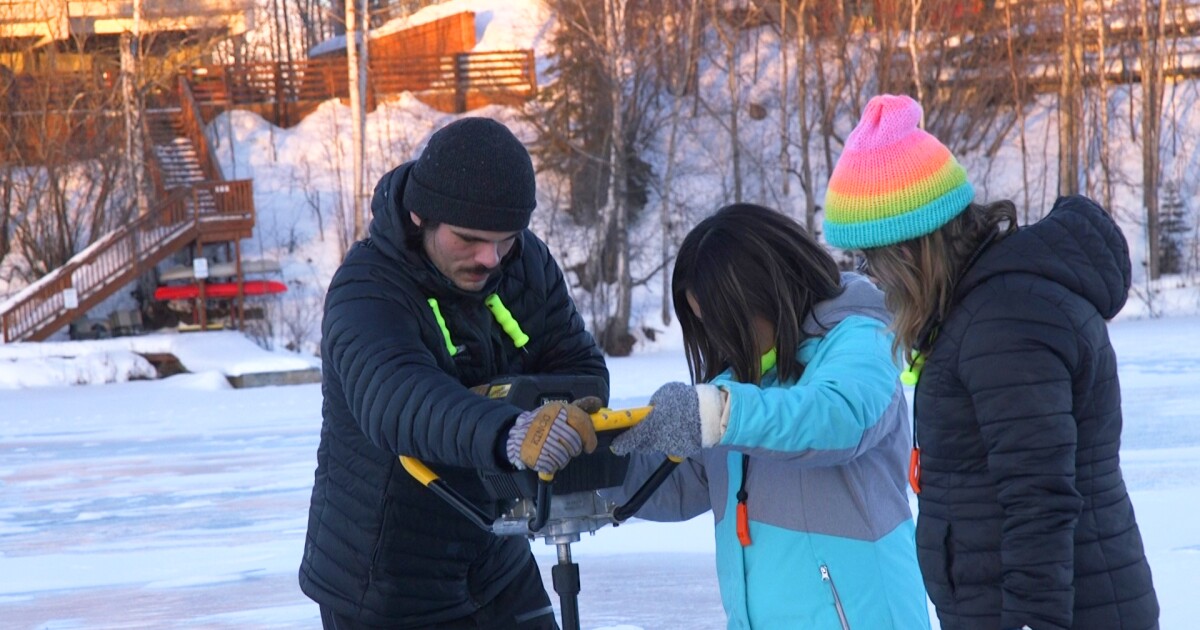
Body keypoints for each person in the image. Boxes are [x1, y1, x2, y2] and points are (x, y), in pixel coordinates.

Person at [823, 94, 1159, 630]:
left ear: (909, 248)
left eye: (870, 258)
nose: (871, 276)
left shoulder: (1004, 322)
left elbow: (1039, 498)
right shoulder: (978, 312)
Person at [299, 117, 608, 629]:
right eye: (470, 238)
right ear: (421, 216)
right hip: (385, 578)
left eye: (506, 239)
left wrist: (558, 413)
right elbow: (397, 399)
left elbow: (581, 369)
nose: (490, 257)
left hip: (495, 553)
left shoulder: (524, 263)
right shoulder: (366, 287)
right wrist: (508, 429)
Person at [609, 203, 931, 629]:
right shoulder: (742, 379)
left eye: (725, 321)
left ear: (767, 290)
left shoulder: (859, 337)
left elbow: (837, 417)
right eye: (707, 325)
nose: (719, 338)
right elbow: (684, 480)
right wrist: (591, 465)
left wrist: (716, 413)